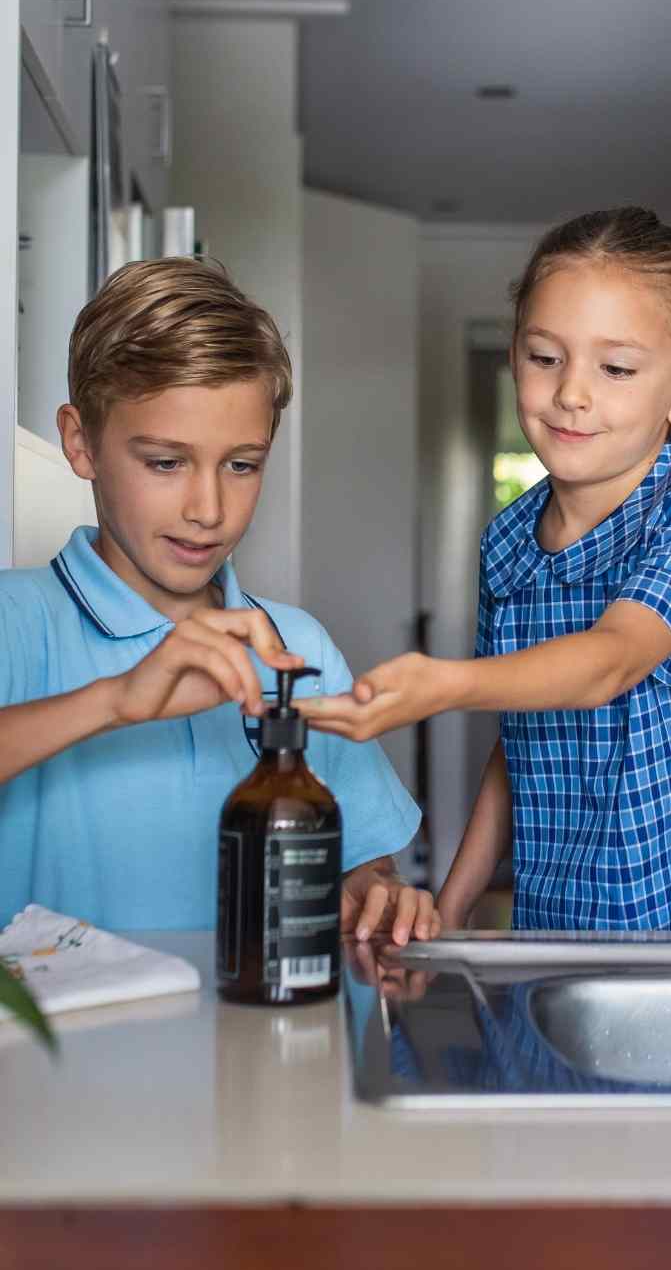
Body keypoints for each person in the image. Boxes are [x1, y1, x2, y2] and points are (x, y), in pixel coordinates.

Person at [301, 207, 671, 933]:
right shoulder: (507, 541)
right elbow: (520, 747)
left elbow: (611, 663)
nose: (572, 393)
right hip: (556, 928)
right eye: (545, 357)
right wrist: (452, 906)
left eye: (616, 368)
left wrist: (442, 685)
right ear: (513, 357)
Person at [0, 257, 438, 945]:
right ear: (80, 443)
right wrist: (116, 700)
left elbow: (360, 858)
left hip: (255, 1045)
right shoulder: (12, 621)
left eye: (241, 464)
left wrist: (375, 890)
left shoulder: (297, 646)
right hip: (53, 1052)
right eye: (166, 463)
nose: (208, 509)